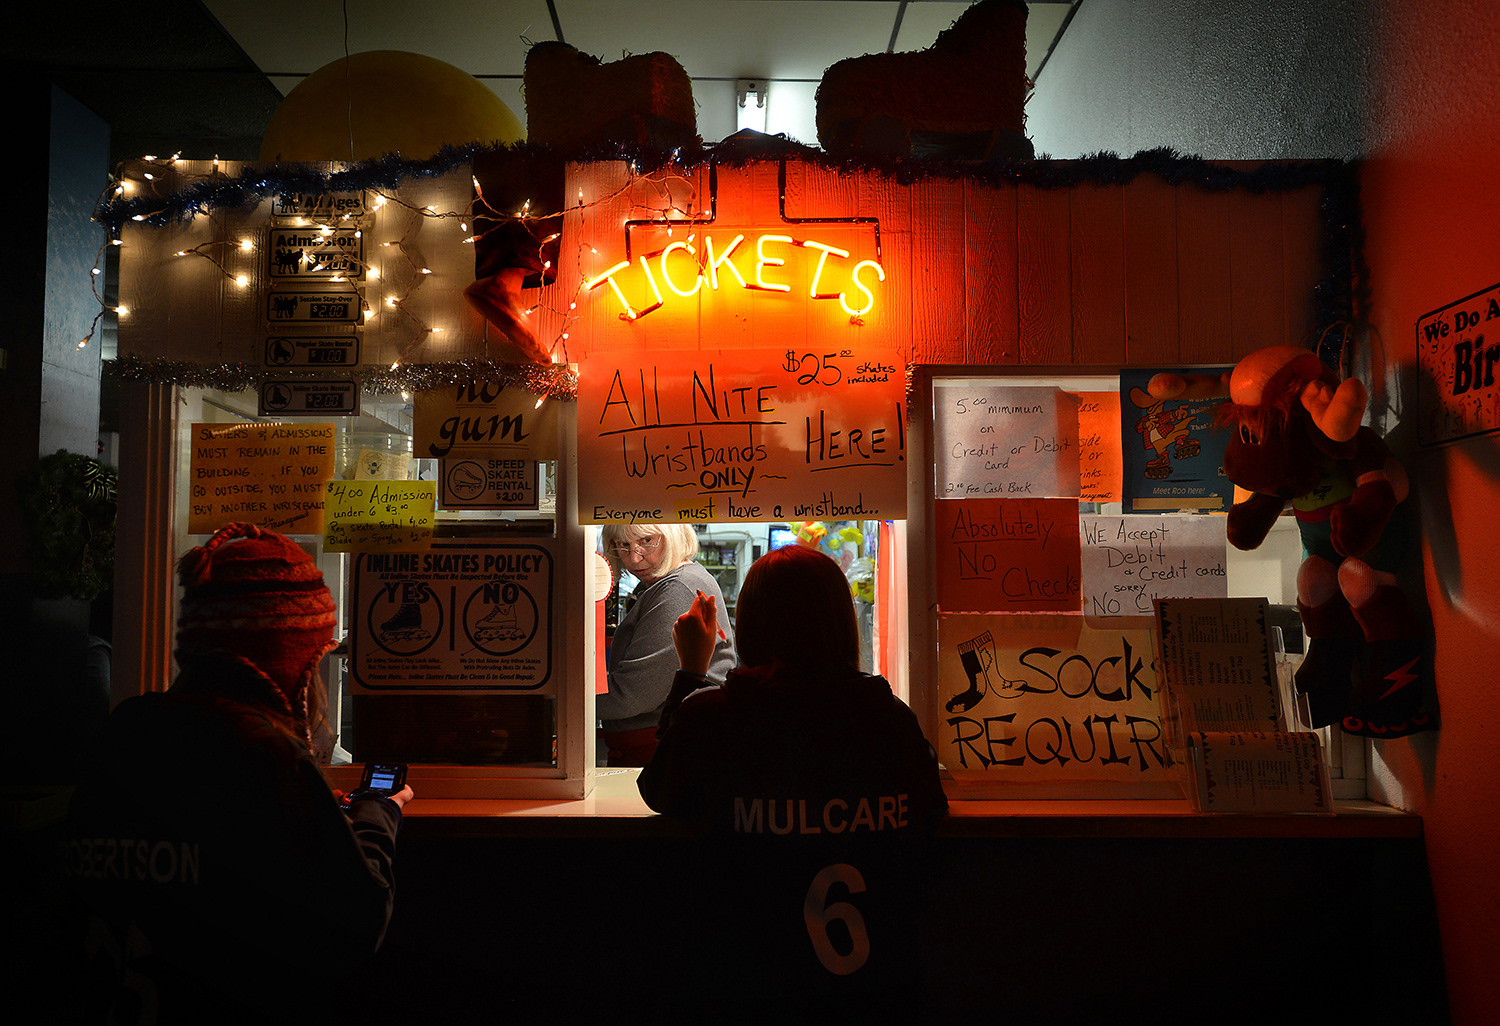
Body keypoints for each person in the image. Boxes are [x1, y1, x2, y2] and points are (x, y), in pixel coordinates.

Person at [64, 523, 413, 1025]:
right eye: (314, 658)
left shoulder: (127, 731)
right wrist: (378, 812)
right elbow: (359, 924)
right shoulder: (263, 753)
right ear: (290, 661)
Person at [637, 544, 947, 1019]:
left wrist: (690, 673)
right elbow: (931, 810)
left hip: (746, 985)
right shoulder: (888, 718)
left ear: (752, 625)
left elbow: (661, 791)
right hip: (877, 990)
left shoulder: (718, 717)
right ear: (841, 623)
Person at [598, 523, 735, 766]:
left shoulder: (676, 588)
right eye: (623, 545)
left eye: (647, 541)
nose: (634, 558)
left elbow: (633, 695)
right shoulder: (671, 582)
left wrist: (560, 702)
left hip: (660, 750)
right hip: (666, 746)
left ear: (672, 536)